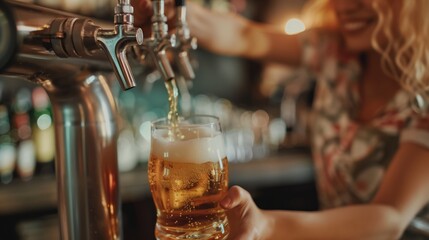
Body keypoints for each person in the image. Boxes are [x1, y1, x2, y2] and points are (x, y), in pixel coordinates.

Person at [134, 0, 429, 239]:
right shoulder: (337, 52)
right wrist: (175, 13)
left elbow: (390, 218)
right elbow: (246, 35)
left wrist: (266, 225)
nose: (345, 5)